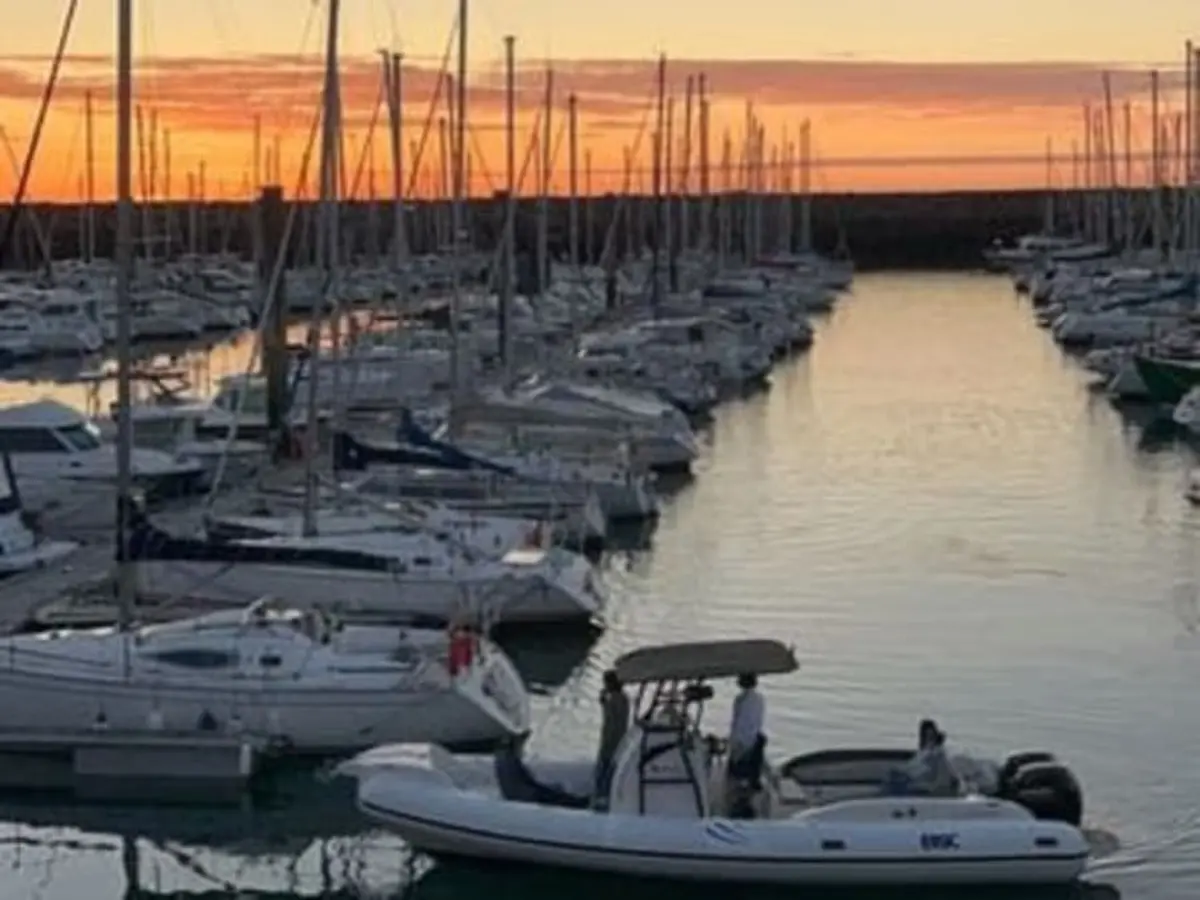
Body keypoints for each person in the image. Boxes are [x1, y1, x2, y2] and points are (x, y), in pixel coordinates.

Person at [594, 669, 630, 805]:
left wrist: (604, 703)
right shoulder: (623, 698)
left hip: (611, 741)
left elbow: (611, 721)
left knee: (605, 770)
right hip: (619, 739)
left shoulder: (615, 699)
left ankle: (602, 796)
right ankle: (604, 794)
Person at [727, 673, 766, 789]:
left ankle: (740, 783)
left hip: (742, 737)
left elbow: (739, 722)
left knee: (738, 763)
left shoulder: (741, 699)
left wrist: (734, 740)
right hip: (754, 735)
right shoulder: (759, 698)